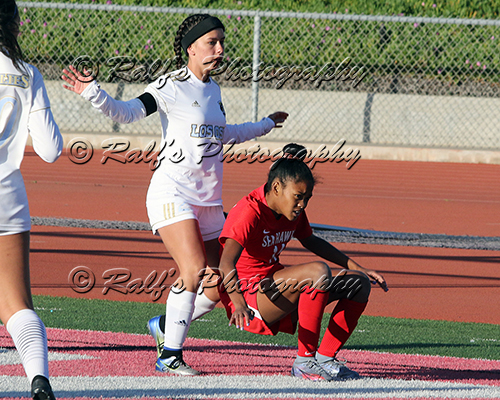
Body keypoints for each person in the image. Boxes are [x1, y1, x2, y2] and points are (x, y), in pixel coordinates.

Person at [61, 14, 288, 376]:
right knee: (194, 270)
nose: (220, 49)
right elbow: (127, 112)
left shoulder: (213, 91)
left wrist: (265, 125)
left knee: (218, 282)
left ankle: (166, 326)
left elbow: (223, 134)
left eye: (221, 42)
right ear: (190, 48)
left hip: (209, 202)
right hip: (172, 193)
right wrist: (93, 92)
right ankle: (170, 356)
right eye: (212, 42)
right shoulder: (170, 85)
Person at [215, 143, 388, 381]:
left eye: (307, 198)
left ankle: (325, 359)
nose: (303, 204)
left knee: (359, 284)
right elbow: (225, 263)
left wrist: (358, 268)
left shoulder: (291, 209)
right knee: (317, 271)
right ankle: (305, 362)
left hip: (274, 287)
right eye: (298, 197)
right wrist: (238, 303)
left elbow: (310, 240)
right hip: (249, 297)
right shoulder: (249, 211)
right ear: (277, 188)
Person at [0, 1, 63, 398]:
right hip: (8, 194)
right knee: (17, 303)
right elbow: (51, 150)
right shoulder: (27, 73)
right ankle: (39, 379)